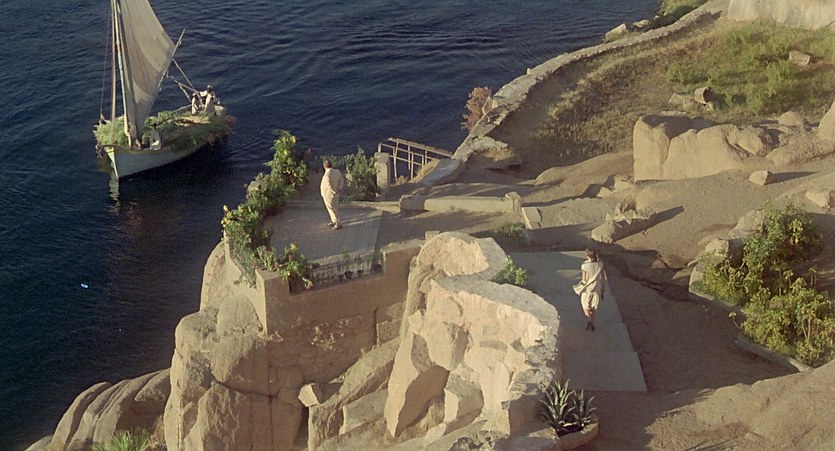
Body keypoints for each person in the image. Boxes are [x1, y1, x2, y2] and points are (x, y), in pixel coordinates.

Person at [579, 247, 607, 331]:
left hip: (587, 288)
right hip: (597, 287)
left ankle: (589, 319)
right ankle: (592, 321)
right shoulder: (600, 264)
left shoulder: (584, 265)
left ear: (588, 256)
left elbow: (584, 279)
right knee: (594, 306)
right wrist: (603, 289)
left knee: (585, 305)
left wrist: (580, 288)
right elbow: (603, 277)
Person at [320, 160, 344, 229]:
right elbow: (341, 180)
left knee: (332, 208)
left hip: (328, 194)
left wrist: (333, 191)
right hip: (335, 193)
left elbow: (329, 185)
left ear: (324, 166)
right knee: (333, 207)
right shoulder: (337, 171)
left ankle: (337, 222)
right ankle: (333, 220)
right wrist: (339, 188)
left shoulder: (327, 175)